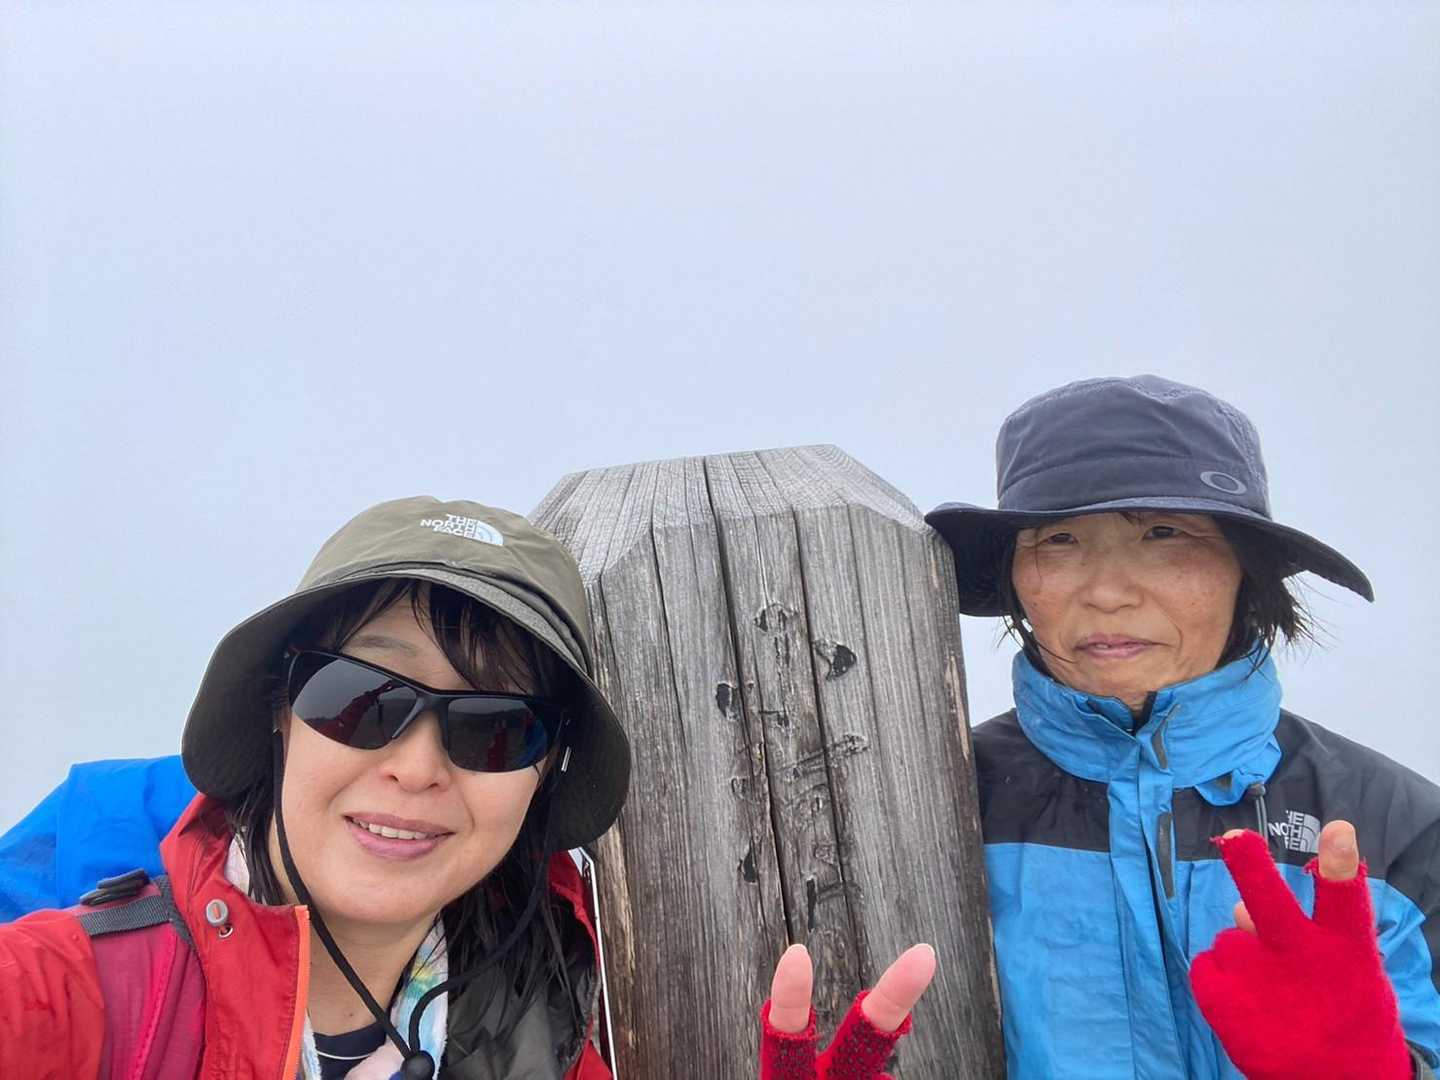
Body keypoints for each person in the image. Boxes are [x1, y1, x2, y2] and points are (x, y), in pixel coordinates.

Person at [916, 375, 1439, 1078]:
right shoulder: (927, 806)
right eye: (1059, 539)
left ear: (1246, 566)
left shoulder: (1403, 830)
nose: (1107, 591)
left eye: (1163, 533)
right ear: (1014, 577)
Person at [0, 496, 631, 1079]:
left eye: (497, 728)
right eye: (360, 697)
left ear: (546, 770)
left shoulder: (544, 1045)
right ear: (281, 710)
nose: (417, 769)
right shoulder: (54, 996)